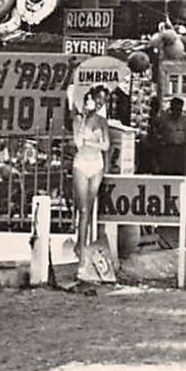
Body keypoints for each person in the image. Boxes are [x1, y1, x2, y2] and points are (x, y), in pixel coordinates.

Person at [70, 88, 111, 256]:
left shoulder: (102, 121)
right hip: (81, 163)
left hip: (96, 165)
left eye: (101, 101)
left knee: (90, 204)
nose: (97, 104)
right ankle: (80, 245)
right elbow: (78, 143)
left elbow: (106, 145)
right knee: (83, 209)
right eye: (94, 100)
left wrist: (91, 143)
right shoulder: (78, 119)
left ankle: (84, 244)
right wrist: (82, 125)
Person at [155, 97, 186, 176]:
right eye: (176, 108)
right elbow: (157, 132)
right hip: (168, 149)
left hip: (181, 149)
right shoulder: (163, 119)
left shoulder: (185, 120)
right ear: (171, 108)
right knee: (167, 172)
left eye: (179, 109)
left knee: (180, 172)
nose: (178, 111)